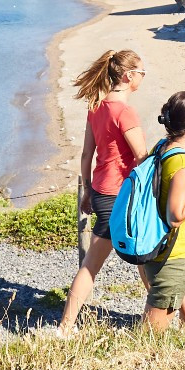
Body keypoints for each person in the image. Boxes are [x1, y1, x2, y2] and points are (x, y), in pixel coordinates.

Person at [57, 48, 151, 337]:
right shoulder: (125, 111)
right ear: (128, 75)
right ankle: (65, 327)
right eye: (142, 73)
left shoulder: (96, 106)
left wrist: (86, 191)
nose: (143, 78)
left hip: (100, 190)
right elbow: (142, 157)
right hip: (120, 195)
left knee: (142, 255)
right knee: (105, 262)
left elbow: (87, 154)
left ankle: (155, 320)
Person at [143, 90, 185, 333]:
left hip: (171, 255)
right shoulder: (182, 163)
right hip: (170, 257)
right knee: (150, 337)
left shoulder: (161, 147)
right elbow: (175, 216)